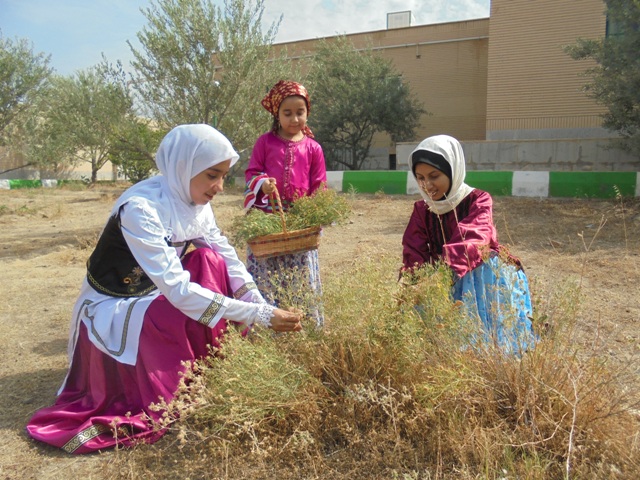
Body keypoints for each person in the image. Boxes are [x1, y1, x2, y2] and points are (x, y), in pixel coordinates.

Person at [26, 124, 302, 454]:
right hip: (114, 305)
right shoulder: (141, 209)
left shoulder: (194, 200)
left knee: (209, 259)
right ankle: (171, 384)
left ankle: (204, 368)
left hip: (156, 292)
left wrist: (258, 302)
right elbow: (178, 291)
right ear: (183, 167)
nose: (219, 186)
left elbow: (226, 256)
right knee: (183, 298)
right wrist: (257, 315)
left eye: (224, 176)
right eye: (212, 175)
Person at [401, 134, 536, 354]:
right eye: (420, 177)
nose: (427, 185)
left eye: (434, 176)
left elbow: (474, 238)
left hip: (479, 275)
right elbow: (413, 248)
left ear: (453, 170)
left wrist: (444, 274)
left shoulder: (478, 199)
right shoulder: (422, 209)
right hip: (438, 276)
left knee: (482, 341)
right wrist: (414, 280)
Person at [244, 80, 327, 326]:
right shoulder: (264, 143)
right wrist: (262, 183)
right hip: (269, 219)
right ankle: (268, 322)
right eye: (287, 113)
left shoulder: (314, 148)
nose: (294, 119)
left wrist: (312, 214)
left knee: (299, 274)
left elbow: (319, 185)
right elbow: (251, 173)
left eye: (299, 112)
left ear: (307, 113)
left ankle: (304, 322)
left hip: (299, 223)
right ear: (276, 114)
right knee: (269, 273)